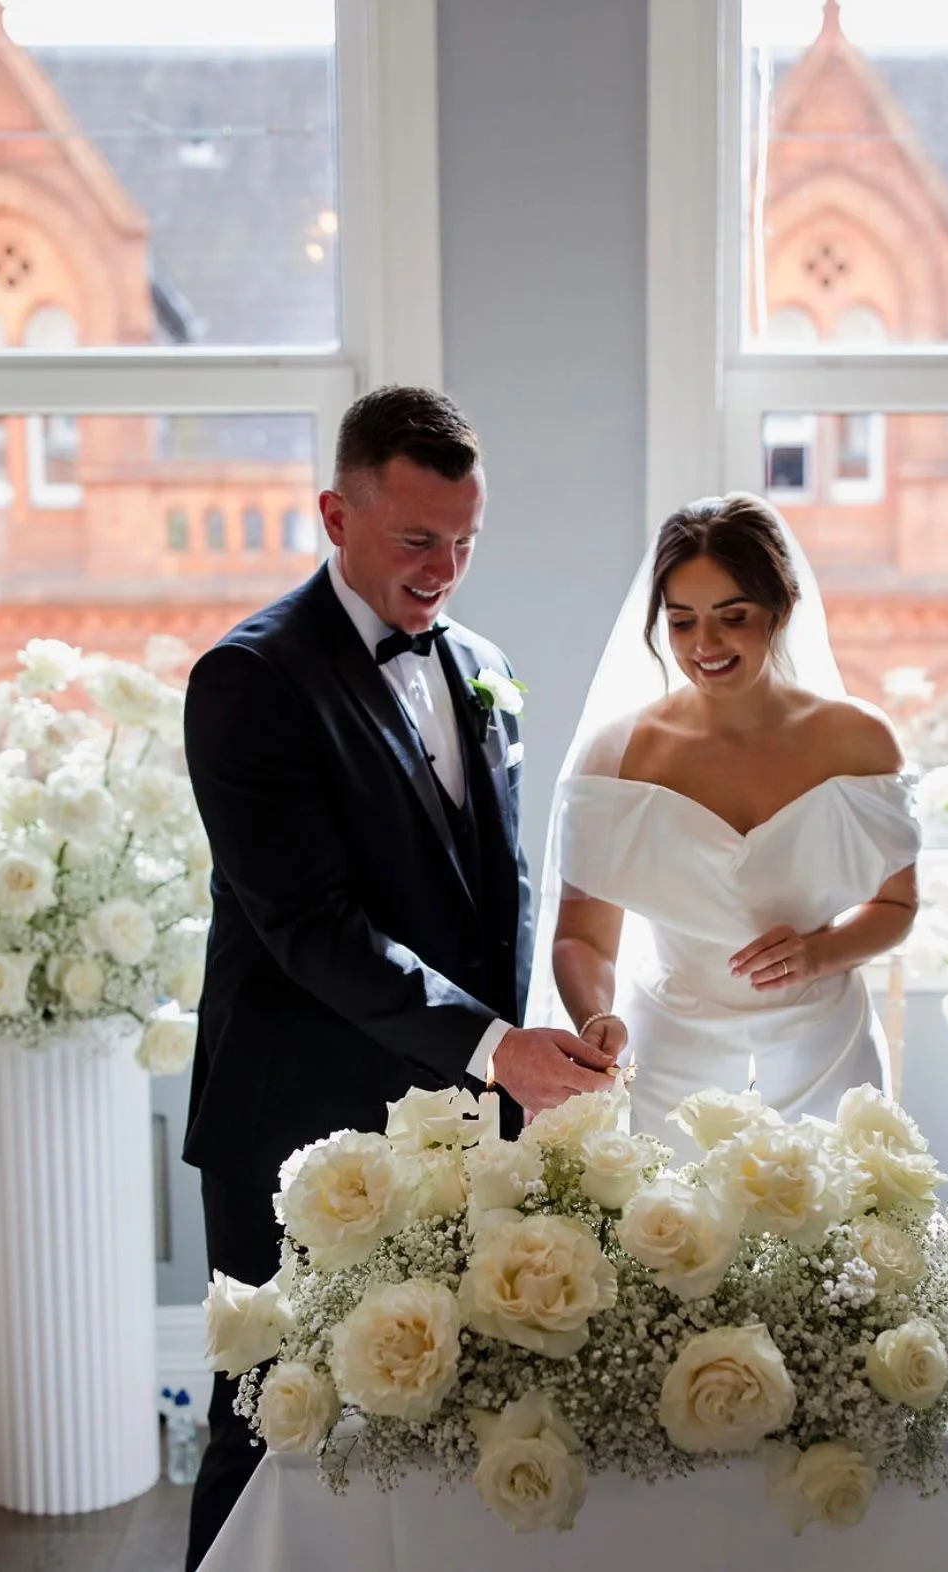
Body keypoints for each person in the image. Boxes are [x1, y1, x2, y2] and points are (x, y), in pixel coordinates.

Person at [181, 386, 613, 1568]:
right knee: (270, 1417)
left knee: (432, 1416)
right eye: (419, 540)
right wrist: (491, 1044)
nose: (447, 570)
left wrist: (513, 1069)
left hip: (456, 1116)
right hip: (293, 1120)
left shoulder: (481, 664)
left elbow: (500, 893)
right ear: (335, 511)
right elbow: (308, 927)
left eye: (468, 541)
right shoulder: (248, 681)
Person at [536, 492, 921, 1159]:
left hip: (824, 1044)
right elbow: (583, 938)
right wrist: (596, 1018)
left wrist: (817, 954)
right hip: (667, 1051)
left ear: (781, 608)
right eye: (681, 622)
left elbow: (895, 904)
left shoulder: (858, 741)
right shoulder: (620, 756)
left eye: (731, 617)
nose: (704, 645)